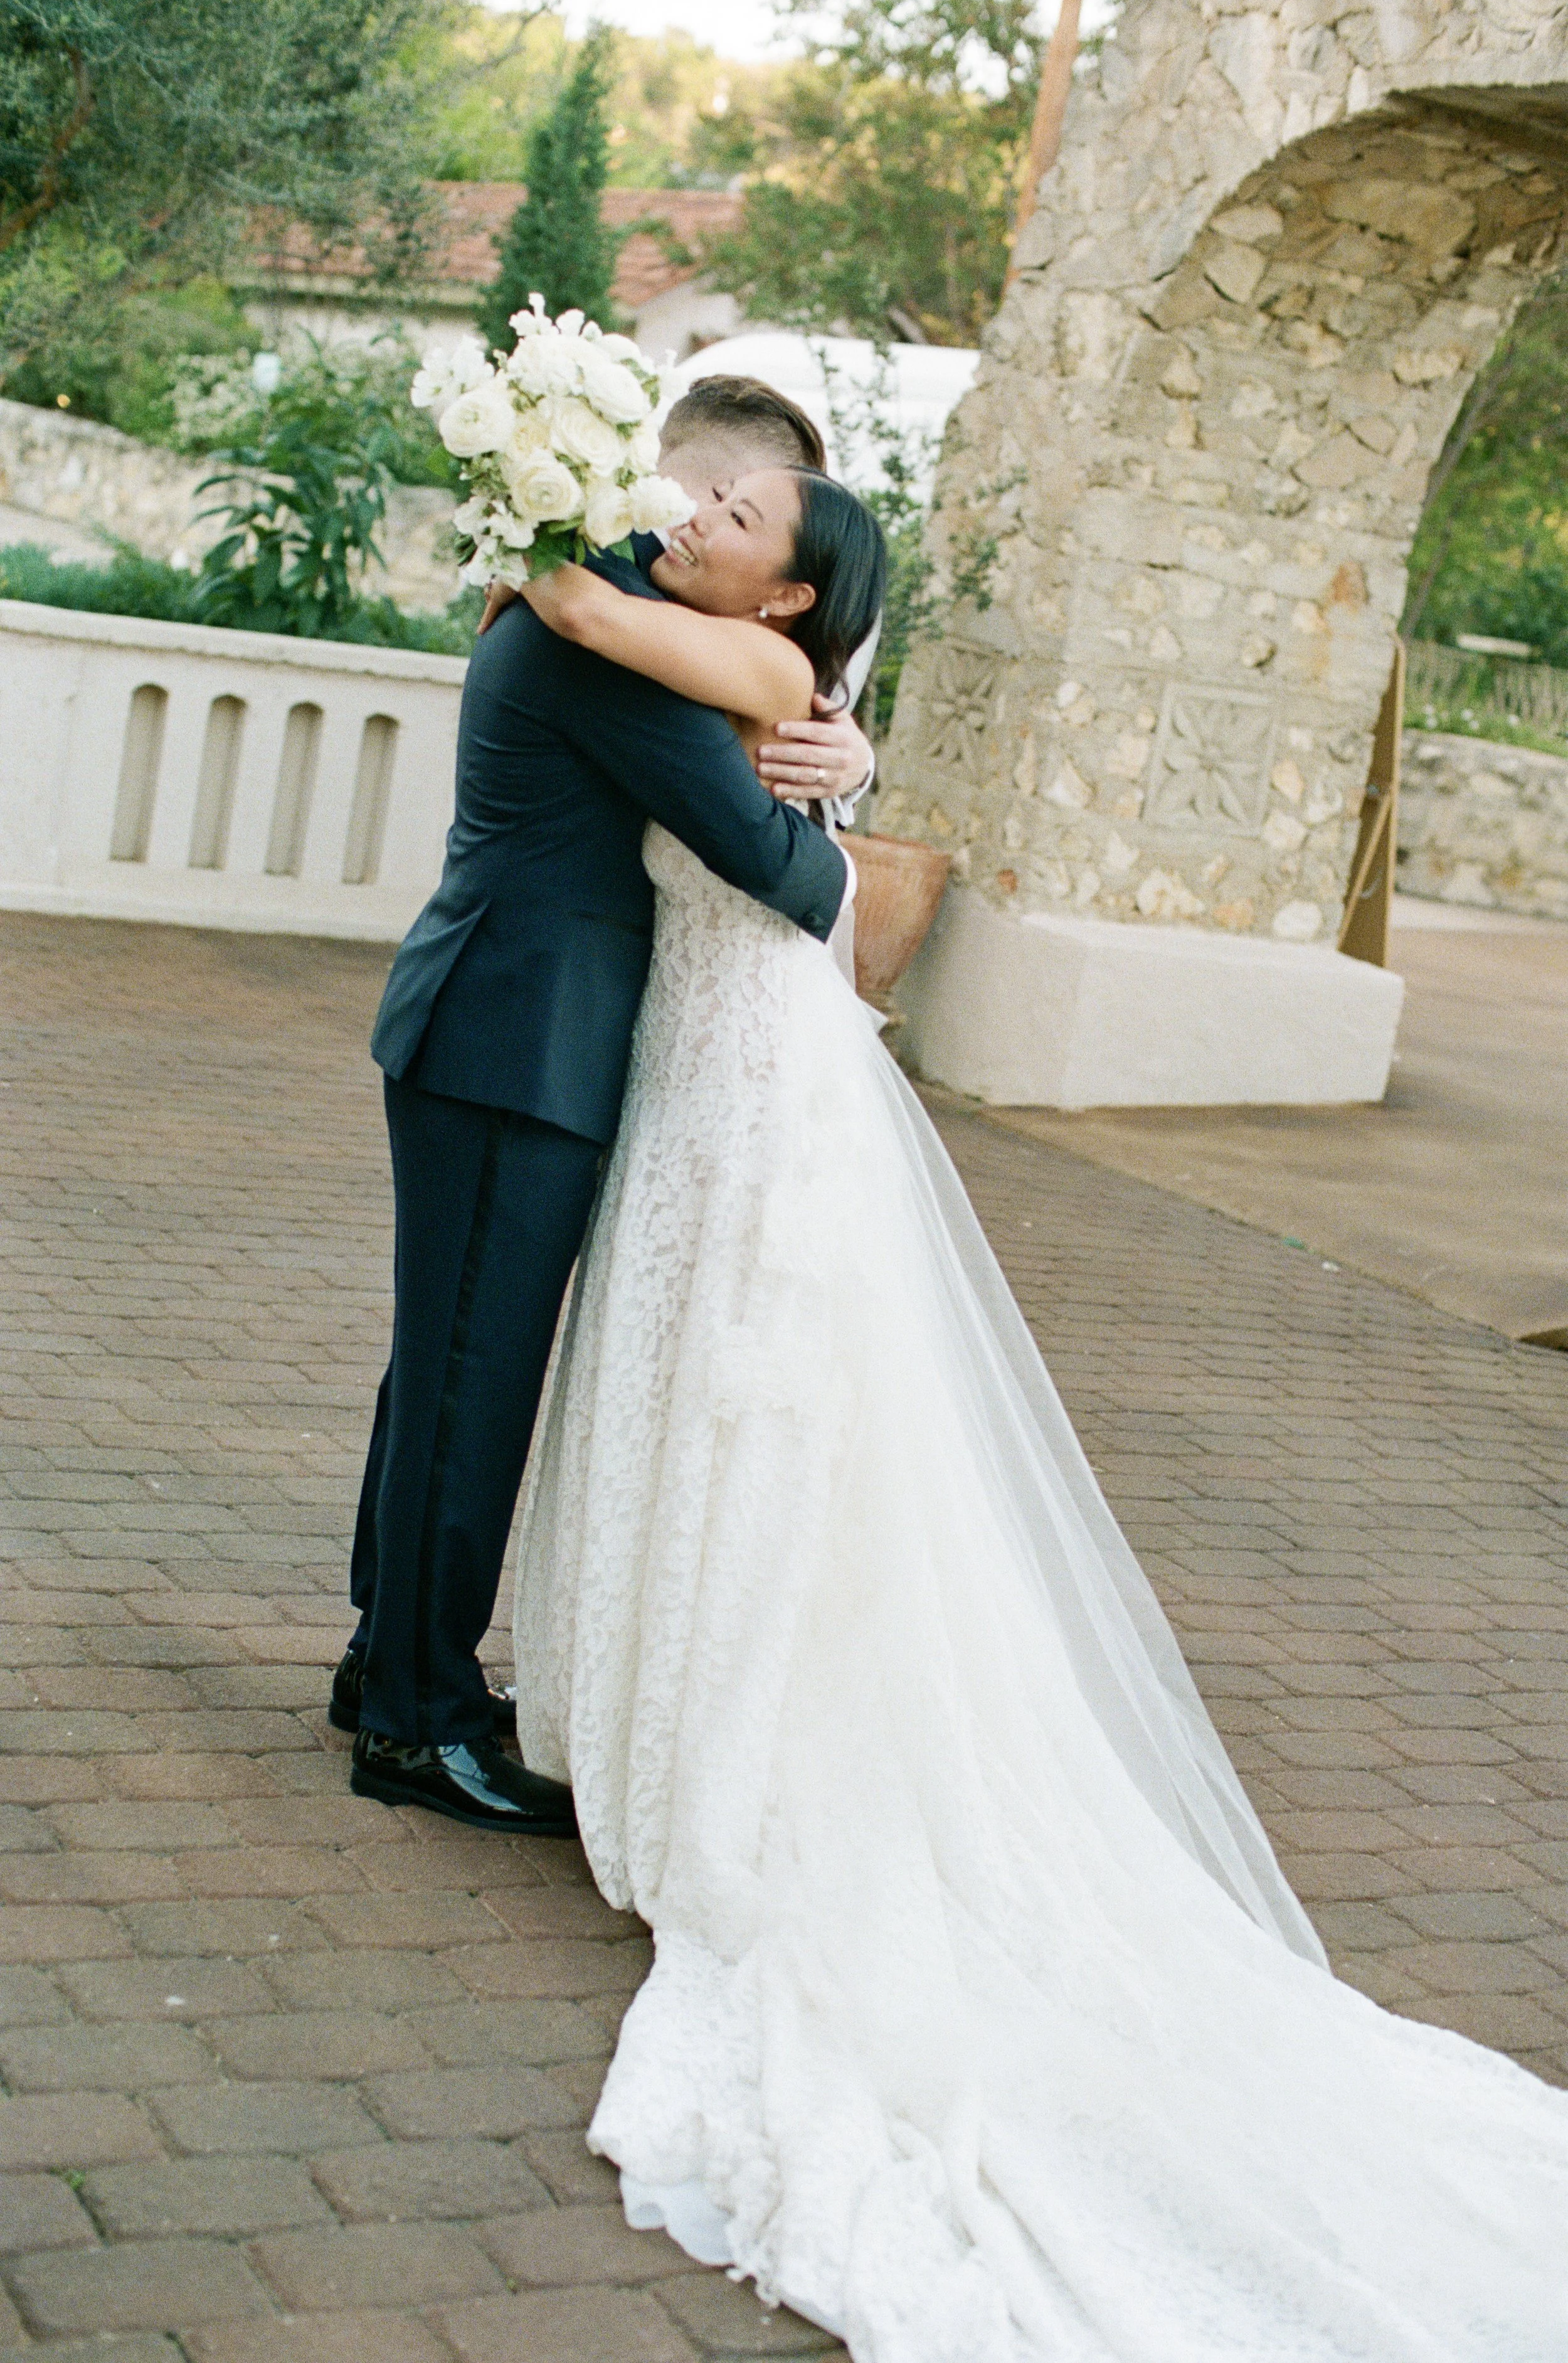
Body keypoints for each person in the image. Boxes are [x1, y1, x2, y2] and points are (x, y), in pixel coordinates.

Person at [509, 469, 1568, 2356]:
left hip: (759, 1073)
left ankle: (733, 1760)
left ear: (796, 595)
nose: (707, 501)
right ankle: (671, 1708)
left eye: (744, 503)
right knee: (722, 1391)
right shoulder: (766, 675)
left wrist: (544, 492)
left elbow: (573, 608)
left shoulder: (742, 668)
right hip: (719, 1049)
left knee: (762, 1404)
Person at [334, 445, 854, 1832]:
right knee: (469, 1383)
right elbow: (763, 857)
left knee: (444, 1365)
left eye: (729, 513)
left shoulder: (593, 603)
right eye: (698, 494)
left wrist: (842, 750)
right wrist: (840, 854)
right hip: (519, 1037)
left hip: (497, 1020)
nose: (693, 517)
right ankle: (416, 1720)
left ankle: (388, 1660)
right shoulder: (607, 646)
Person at [479, 373, 881, 825]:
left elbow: (584, 612)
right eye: (723, 498)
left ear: (791, 594)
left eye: (741, 517)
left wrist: (518, 540)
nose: (704, 519)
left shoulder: (766, 660)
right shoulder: (613, 574)